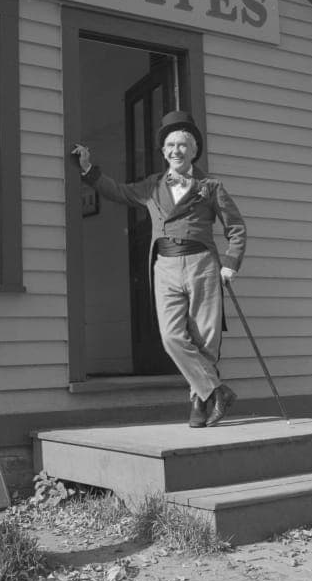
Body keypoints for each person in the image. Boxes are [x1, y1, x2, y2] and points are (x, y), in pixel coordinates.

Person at [71, 110, 246, 428]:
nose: (176, 151)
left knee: (205, 338)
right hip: (164, 264)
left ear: (193, 151)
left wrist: (231, 264)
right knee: (171, 337)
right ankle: (217, 390)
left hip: (203, 264)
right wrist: (87, 170)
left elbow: (235, 227)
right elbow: (118, 191)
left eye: (183, 145)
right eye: (170, 145)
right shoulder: (152, 186)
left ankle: (199, 402)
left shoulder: (210, 186)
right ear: (163, 152)